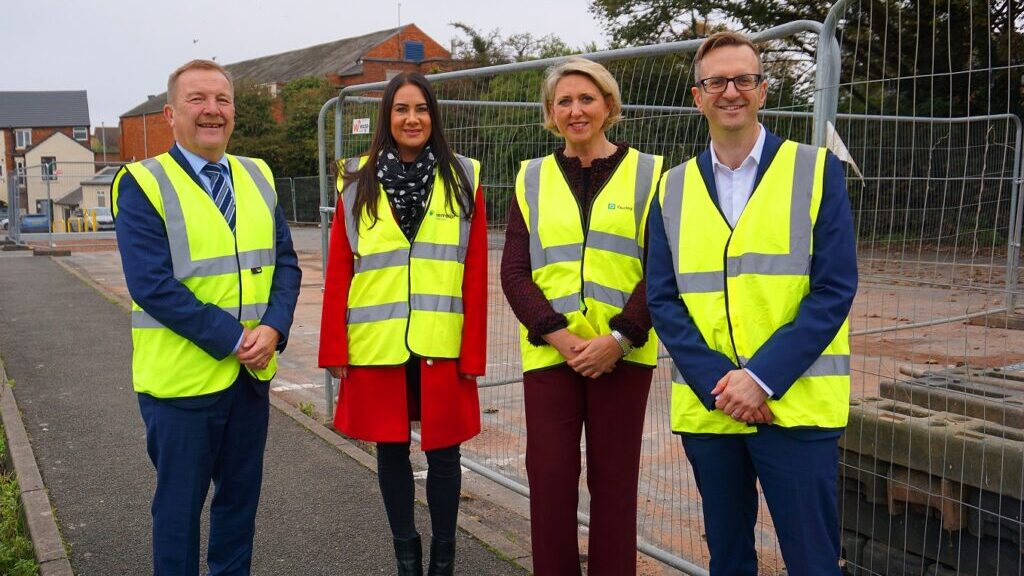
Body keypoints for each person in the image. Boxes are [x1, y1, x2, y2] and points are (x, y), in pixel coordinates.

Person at [646, 31, 858, 576]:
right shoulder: (670, 188)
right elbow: (664, 298)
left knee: (812, 561)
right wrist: (722, 383)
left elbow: (833, 289)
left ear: (763, 90)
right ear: (698, 96)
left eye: (743, 79)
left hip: (795, 406)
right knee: (729, 557)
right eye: (716, 81)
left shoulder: (815, 170)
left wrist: (760, 378)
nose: (730, 91)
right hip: (711, 407)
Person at [112, 59, 301, 575]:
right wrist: (237, 338)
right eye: (198, 99)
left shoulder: (257, 174)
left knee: (239, 509)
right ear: (171, 114)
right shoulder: (143, 183)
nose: (212, 110)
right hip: (180, 388)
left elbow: (285, 263)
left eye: (222, 99)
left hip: (250, 379)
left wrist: (275, 328)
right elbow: (152, 285)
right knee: (178, 513)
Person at [318, 71, 486, 576]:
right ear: (387, 118)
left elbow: (475, 271)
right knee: (390, 451)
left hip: (442, 342)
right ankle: (405, 553)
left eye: (421, 109)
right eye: (400, 109)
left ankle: (443, 557)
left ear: (433, 116)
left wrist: (473, 354)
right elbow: (338, 271)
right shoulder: (355, 179)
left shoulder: (464, 176)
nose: (412, 119)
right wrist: (335, 353)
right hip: (377, 343)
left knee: (444, 454)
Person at [500, 57, 662, 576]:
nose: (576, 110)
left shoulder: (652, 174)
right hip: (553, 353)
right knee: (548, 479)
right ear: (550, 112)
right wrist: (558, 335)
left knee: (615, 484)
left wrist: (621, 337)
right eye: (564, 101)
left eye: (587, 99)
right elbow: (515, 270)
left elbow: (664, 268)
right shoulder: (531, 177)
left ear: (609, 106)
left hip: (624, 353)